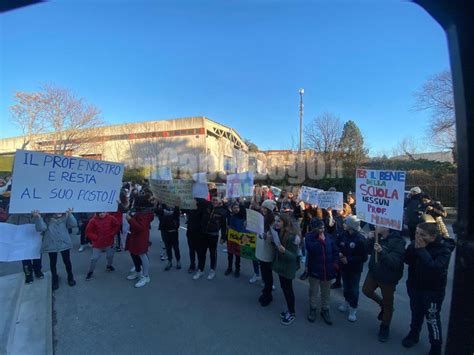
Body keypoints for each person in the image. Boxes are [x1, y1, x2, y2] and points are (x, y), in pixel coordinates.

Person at [402, 222, 455, 355]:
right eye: (416, 233)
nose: (418, 237)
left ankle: (436, 345)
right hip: (415, 286)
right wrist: (411, 249)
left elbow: (436, 268)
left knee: (432, 318)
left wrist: (421, 250)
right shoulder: (416, 243)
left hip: (433, 291)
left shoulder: (444, 249)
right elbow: (407, 260)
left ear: (433, 236)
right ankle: (414, 335)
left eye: (422, 235)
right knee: (416, 314)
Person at [362, 226, 406, 342]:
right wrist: (369, 239)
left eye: (379, 225)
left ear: (387, 227)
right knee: (366, 290)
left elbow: (395, 262)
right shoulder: (377, 237)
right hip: (374, 272)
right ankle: (383, 305)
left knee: (388, 303)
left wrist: (382, 252)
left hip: (388, 277)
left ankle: (385, 326)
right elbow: (366, 250)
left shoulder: (398, 241)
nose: (375, 226)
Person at [305, 219, 339, 326]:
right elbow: (311, 249)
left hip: (327, 271)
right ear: (314, 228)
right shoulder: (309, 237)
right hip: (314, 270)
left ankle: (325, 310)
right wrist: (320, 241)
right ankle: (313, 308)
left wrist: (335, 263)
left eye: (323, 227)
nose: (322, 230)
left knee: (326, 292)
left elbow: (335, 251)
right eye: (320, 228)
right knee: (313, 291)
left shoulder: (328, 237)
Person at [33, 209, 77, 290]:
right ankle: (54, 279)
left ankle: (70, 277)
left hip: (64, 242)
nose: (58, 212)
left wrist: (70, 215)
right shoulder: (46, 218)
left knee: (67, 261)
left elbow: (74, 224)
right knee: (53, 263)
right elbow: (41, 228)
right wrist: (38, 218)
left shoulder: (66, 216)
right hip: (51, 243)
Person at [336, 216, 368, 322]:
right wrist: (339, 253)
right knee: (346, 286)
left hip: (355, 269)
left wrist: (348, 259)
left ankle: (353, 308)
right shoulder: (343, 235)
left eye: (346, 223)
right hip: (344, 267)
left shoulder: (360, 239)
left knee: (354, 289)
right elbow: (337, 245)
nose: (344, 224)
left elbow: (363, 257)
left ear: (352, 226)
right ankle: (346, 301)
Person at [272, 213, 301, 326]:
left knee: (288, 290)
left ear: (285, 222)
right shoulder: (279, 232)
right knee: (284, 288)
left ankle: (292, 312)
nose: (276, 223)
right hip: (281, 266)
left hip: (288, 268)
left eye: (278, 221)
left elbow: (294, 256)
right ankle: (289, 309)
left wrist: (284, 251)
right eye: (275, 221)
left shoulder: (293, 236)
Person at [193, 196, 228, 280]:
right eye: (213, 200)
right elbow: (201, 201)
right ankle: (200, 270)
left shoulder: (223, 212)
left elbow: (224, 226)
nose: (214, 201)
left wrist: (223, 237)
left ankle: (212, 270)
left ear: (220, 201)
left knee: (213, 253)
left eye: (216, 200)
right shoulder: (207, 207)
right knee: (202, 253)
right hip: (203, 233)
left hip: (213, 235)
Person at [125, 195, 155, 288]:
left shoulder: (144, 214)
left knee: (142, 255)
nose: (133, 203)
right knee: (134, 254)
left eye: (134, 201)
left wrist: (130, 220)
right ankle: (138, 272)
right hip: (134, 236)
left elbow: (140, 227)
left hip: (140, 238)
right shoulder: (140, 211)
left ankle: (145, 276)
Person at [7, 213, 44, 284]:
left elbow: (43, 223)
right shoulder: (17, 215)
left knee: (37, 257)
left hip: (35, 239)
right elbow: (9, 224)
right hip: (23, 241)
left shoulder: (39, 213)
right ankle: (28, 275)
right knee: (25, 259)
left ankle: (38, 271)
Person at [85, 212, 121, 280]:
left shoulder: (111, 218)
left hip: (109, 242)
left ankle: (109, 266)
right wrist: (95, 238)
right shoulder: (93, 220)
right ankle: (90, 272)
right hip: (97, 243)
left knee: (110, 255)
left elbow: (117, 225)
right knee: (94, 258)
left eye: (103, 212)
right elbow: (88, 232)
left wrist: (112, 233)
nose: (102, 214)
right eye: (100, 213)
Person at [256, 199, 277, 306]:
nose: (263, 209)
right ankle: (266, 291)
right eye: (262, 207)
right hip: (261, 249)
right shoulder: (261, 218)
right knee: (264, 272)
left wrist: (267, 237)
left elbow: (275, 238)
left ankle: (268, 295)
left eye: (266, 208)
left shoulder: (273, 221)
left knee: (267, 274)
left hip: (267, 251)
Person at [331, 203, 353, 289]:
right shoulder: (337, 217)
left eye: (339, 209)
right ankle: (337, 281)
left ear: (344, 210)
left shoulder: (349, 220)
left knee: (345, 265)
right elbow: (331, 225)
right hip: (338, 242)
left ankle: (347, 283)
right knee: (337, 264)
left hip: (346, 244)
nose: (337, 210)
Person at [156, 203, 181, 271]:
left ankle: (178, 261)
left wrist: (176, 203)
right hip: (165, 232)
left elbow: (176, 213)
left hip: (173, 232)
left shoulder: (175, 210)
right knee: (168, 248)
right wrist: (157, 203)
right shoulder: (162, 210)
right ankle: (169, 262)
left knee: (176, 248)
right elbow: (157, 211)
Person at [223, 202, 245, 278]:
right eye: (234, 208)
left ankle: (237, 270)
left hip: (238, 239)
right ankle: (229, 268)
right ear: (231, 209)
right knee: (230, 254)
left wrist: (241, 201)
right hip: (230, 238)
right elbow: (225, 206)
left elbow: (243, 208)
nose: (236, 209)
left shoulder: (241, 216)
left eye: (237, 208)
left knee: (237, 255)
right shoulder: (229, 215)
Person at [185, 199, 206, 273]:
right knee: (191, 250)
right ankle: (192, 265)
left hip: (199, 233)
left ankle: (200, 266)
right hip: (190, 232)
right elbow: (182, 208)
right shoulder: (189, 208)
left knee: (199, 251)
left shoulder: (202, 208)